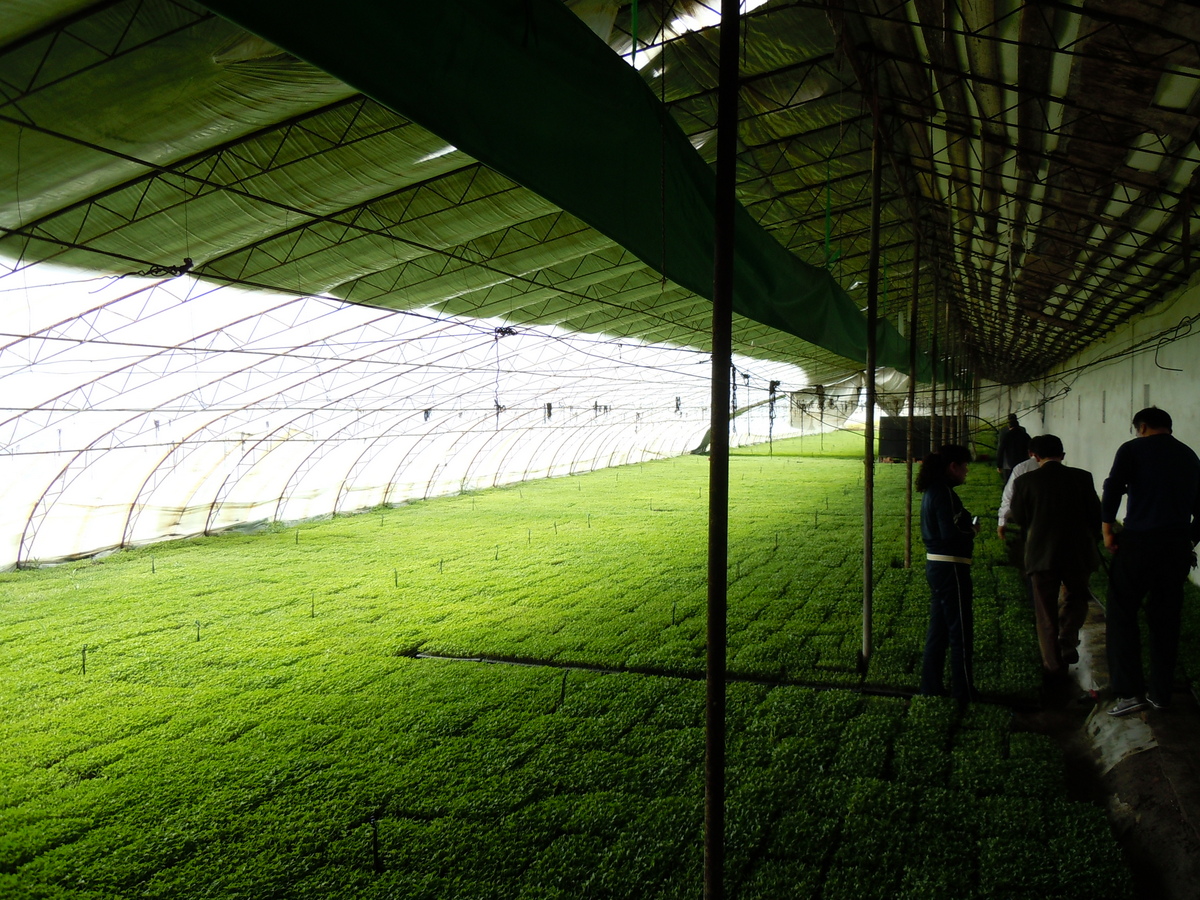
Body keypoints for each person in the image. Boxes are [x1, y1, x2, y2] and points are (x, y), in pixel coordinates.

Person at [1102, 408, 1200, 716]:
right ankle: (1161, 694)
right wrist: (1188, 541)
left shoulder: (1132, 449)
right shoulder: (1189, 455)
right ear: (1169, 427)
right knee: (1166, 620)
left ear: (1141, 427)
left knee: (1121, 616)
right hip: (1175, 549)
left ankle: (1130, 693)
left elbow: (1113, 488)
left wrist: (1107, 530)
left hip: (1138, 545)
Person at [1007, 434, 1101, 681]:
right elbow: (1095, 515)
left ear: (1035, 456)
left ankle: (1053, 666)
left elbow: (1018, 517)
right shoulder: (1083, 478)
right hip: (1078, 554)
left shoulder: (1025, 481)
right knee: (1077, 598)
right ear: (1063, 455)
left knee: (1045, 612)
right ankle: (1068, 636)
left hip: (1041, 554)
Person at [917, 444, 980, 704]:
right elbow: (950, 533)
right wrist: (972, 531)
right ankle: (963, 691)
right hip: (951, 566)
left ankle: (930, 686)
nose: (966, 472)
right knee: (960, 631)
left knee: (939, 630)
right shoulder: (943, 493)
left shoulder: (935, 491)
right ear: (952, 466)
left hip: (937, 566)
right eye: (964, 466)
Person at [996, 413, 1031, 487]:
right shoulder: (1023, 432)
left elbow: (1001, 448)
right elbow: (1030, 446)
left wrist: (999, 464)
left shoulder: (1004, 432)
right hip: (1023, 459)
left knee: (1009, 481)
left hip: (1009, 460)